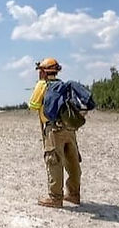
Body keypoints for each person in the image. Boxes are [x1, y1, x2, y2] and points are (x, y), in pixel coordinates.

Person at [29, 58, 82, 208]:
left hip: (53, 130)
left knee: (54, 162)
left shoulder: (42, 85)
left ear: (44, 72)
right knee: (72, 162)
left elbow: (33, 105)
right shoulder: (63, 85)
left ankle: (55, 197)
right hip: (69, 129)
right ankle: (74, 194)